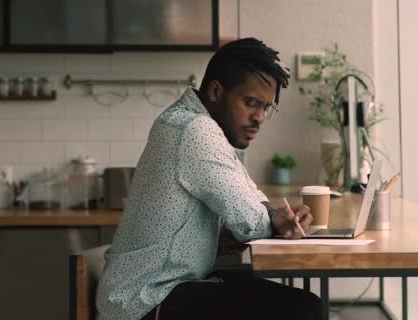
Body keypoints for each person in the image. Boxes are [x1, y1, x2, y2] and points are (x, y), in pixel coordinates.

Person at [96, 38, 322, 320]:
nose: (259, 118)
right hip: (145, 300)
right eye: (252, 103)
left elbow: (250, 193)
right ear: (215, 91)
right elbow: (251, 221)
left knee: (302, 306)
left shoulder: (201, 127)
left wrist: (261, 218)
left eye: (266, 108)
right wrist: (273, 218)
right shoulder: (194, 129)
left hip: (164, 288)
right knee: (303, 310)